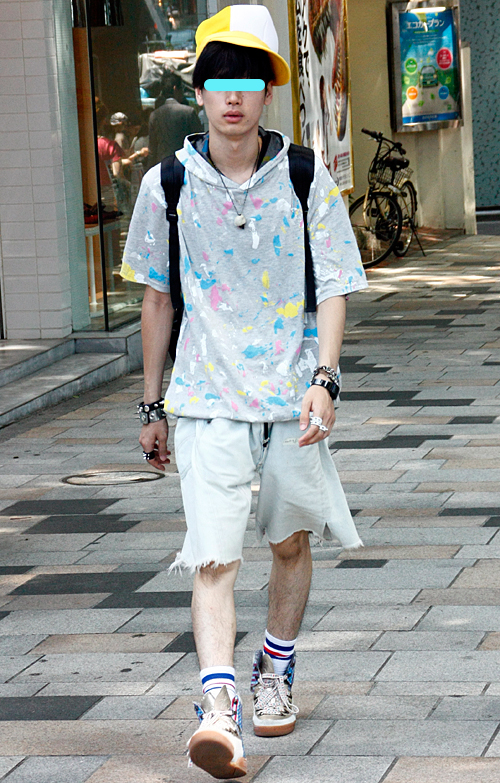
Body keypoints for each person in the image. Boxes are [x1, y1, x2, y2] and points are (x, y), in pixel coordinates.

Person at [120, 5, 368, 779]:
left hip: (291, 396)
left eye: (249, 79)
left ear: (266, 91)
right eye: (219, 79)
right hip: (205, 397)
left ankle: (275, 666)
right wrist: (153, 405)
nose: (233, 95)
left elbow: (334, 284)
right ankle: (219, 706)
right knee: (214, 556)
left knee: (289, 540)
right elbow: (156, 298)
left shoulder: (306, 178)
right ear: (199, 91)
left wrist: (325, 379)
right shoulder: (165, 184)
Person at [147, 70, 202, 167]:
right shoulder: (189, 112)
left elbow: (152, 149)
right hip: (186, 166)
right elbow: (199, 143)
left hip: (163, 166)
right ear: (175, 88)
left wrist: (149, 170)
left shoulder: (154, 115)